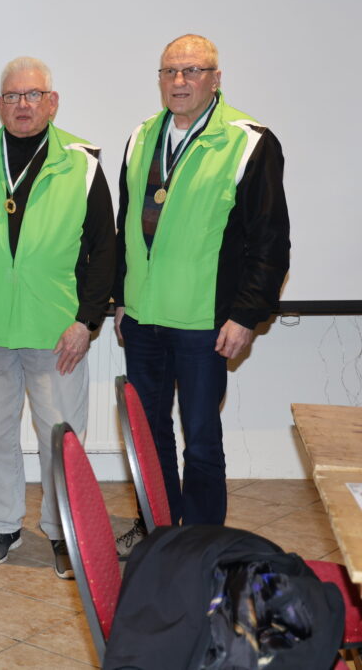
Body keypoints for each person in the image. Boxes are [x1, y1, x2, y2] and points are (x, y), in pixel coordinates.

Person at [0, 57, 115, 579]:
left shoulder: (82, 163)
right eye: (12, 96)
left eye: (33, 95)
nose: (22, 105)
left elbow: (105, 250)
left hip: (56, 331)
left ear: (52, 103)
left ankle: (63, 530)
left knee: (60, 437)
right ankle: (1, 524)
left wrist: (86, 321)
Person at [113, 34, 290, 540]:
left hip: (204, 324)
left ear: (216, 79)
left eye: (192, 70)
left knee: (202, 443)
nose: (179, 81)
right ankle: (157, 533)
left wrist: (246, 314)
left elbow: (271, 240)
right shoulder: (141, 136)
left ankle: (202, 544)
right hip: (143, 320)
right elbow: (127, 223)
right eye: (169, 71)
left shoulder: (248, 141)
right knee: (150, 439)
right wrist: (122, 299)